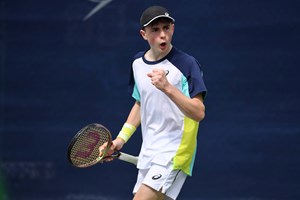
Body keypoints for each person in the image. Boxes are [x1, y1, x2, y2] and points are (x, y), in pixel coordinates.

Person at [100, 5, 207, 200]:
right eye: (155, 30)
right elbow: (141, 103)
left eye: (166, 28)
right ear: (144, 34)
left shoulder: (186, 64)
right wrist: (120, 140)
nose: (162, 35)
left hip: (175, 152)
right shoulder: (137, 64)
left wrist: (168, 88)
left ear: (173, 29)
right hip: (148, 152)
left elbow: (199, 112)